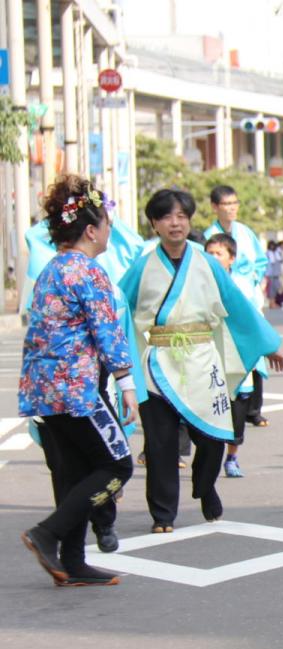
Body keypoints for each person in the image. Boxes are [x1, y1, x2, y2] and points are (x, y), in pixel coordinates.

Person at [119, 188, 283, 534]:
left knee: (212, 438)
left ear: (190, 220)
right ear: (154, 224)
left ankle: (205, 485)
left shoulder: (207, 263)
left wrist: (267, 344)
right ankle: (163, 514)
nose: (175, 223)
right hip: (157, 361)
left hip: (200, 359)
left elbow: (236, 303)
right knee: (161, 443)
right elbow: (119, 305)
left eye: (181, 216)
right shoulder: (143, 266)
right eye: (167, 217)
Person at [18, 175, 139, 586]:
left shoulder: (51, 269)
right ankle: (47, 533)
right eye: (107, 224)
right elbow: (107, 330)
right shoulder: (88, 271)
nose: (110, 231)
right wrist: (126, 383)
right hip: (78, 390)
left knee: (73, 474)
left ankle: (71, 562)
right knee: (117, 466)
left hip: (44, 392)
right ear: (90, 230)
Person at [205, 185, 271, 426]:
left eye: (234, 203)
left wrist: (252, 279)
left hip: (247, 293)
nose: (231, 208)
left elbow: (260, 261)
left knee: (254, 350)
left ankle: (254, 408)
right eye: (226, 204)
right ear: (215, 207)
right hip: (221, 299)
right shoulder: (210, 235)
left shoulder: (245, 232)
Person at [204, 234, 255, 479]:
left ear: (231, 258)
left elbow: (253, 320)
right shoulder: (197, 282)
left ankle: (232, 457)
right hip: (206, 356)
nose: (214, 258)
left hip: (237, 355)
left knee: (236, 412)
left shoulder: (242, 285)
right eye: (210, 253)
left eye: (219, 253)